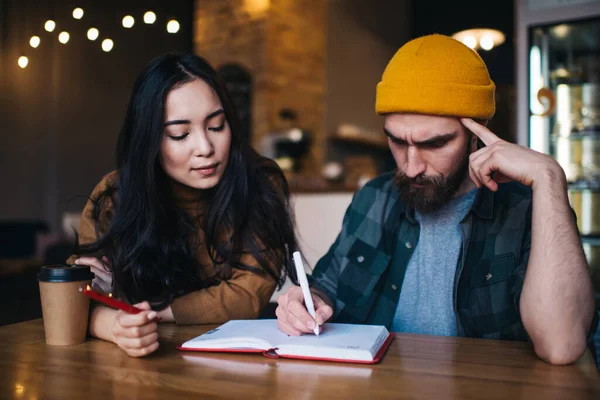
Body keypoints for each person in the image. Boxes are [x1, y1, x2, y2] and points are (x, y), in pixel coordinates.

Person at [275, 34, 598, 365]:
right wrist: (304, 303)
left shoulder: (527, 208)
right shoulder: (374, 197)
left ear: (478, 131)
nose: (411, 167)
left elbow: (562, 346)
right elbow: (326, 287)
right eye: (398, 142)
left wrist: (549, 177)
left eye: (434, 144)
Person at [69, 53, 298, 357]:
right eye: (179, 134)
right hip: (139, 369)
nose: (205, 148)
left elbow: (248, 294)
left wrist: (157, 312)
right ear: (148, 140)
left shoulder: (259, 183)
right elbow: (77, 295)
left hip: (234, 367)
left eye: (216, 126)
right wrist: (112, 325)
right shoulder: (115, 196)